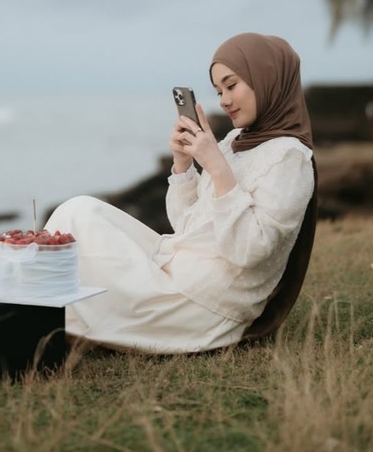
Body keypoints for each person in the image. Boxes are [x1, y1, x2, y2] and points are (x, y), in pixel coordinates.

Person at [45, 32, 318, 353]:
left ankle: (39, 316)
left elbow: (251, 251)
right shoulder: (235, 142)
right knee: (78, 212)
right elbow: (188, 225)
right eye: (218, 91)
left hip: (205, 303)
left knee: (78, 258)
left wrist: (215, 165)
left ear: (268, 78)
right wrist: (184, 164)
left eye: (232, 86)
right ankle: (39, 307)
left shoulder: (290, 158)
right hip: (178, 264)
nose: (224, 100)